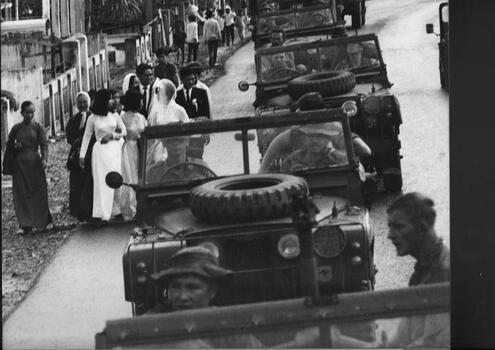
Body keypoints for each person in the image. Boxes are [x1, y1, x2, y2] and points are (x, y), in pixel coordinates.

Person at [149, 246, 263, 348]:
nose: (182, 296)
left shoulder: (227, 324)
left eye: (192, 287)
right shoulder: (153, 325)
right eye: (176, 287)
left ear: (212, 291)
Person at [384, 192, 450, 347]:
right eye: (390, 227)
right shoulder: (424, 271)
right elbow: (401, 338)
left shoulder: (443, 274)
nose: (390, 235)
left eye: (398, 226)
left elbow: (436, 344)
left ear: (421, 228)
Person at [2, 101, 52, 234]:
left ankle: (40, 222)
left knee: (38, 192)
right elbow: (9, 144)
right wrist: (15, 147)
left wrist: (44, 159)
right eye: (27, 112)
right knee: (22, 194)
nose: (30, 115)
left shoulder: (38, 127)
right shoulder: (16, 128)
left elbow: (44, 145)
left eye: (32, 112)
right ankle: (26, 224)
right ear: (22, 113)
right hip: (20, 165)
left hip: (35, 164)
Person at [79, 89, 127, 222]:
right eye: (110, 99)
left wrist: (112, 135)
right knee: (101, 182)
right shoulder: (92, 118)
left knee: (116, 179)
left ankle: (116, 210)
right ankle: (101, 213)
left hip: (115, 150)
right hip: (100, 152)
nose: (113, 101)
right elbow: (87, 137)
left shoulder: (114, 115)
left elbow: (124, 131)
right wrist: (81, 156)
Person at [65, 91, 95, 220]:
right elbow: (69, 136)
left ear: (89, 103)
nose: (83, 104)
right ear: (76, 104)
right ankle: (79, 212)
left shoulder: (93, 117)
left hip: (91, 154)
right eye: (80, 102)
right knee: (77, 183)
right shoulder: (73, 120)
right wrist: (77, 142)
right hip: (77, 154)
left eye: (85, 102)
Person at [119, 91, 147, 221]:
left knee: (140, 175)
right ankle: (129, 209)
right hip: (128, 148)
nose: (142, 103)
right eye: (140, 101)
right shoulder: (123, 117)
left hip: (140, 148)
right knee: (130, 176)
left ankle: (141, 207)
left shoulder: (141, 117)